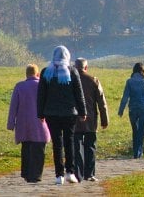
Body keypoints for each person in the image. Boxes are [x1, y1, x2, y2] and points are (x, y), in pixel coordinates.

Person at [37, 46, 86, 185]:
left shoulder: (46, 72)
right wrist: (83, 112)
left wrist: (40, 113)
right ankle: (70, 172)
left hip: (51, 113)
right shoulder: (72, 71)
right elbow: (79, 93)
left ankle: (59, 175)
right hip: (70, 113)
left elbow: (41, 95)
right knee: (69, 141)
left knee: (57, 144)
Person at [7, 64, 51, 183]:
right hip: (40, 123)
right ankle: (36, 175)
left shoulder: (19, 86)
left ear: (26, 74)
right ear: (37, 74)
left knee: (26, 148)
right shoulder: (43, 86)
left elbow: (13, 106)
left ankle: (26, 173)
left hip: (24, 124)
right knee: (39, 150)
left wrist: (11, 123)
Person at [73, 58, 109, 182]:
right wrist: (104, 120)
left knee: (77, 147)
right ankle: (90, 173)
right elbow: (102, 103)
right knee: (90, 147)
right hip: (90, 120)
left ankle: (78, 174)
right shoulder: (94, 81)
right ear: (86, 67)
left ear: (74, 67)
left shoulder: (69, 81)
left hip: (74, 120)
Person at [118, 62, 144, 159]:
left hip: (133, 108)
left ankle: (135, 152)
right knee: (142, 131)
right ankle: (139, 152)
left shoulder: (129, 81)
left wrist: (121, 110)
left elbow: (125, 97)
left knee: (135, 130)